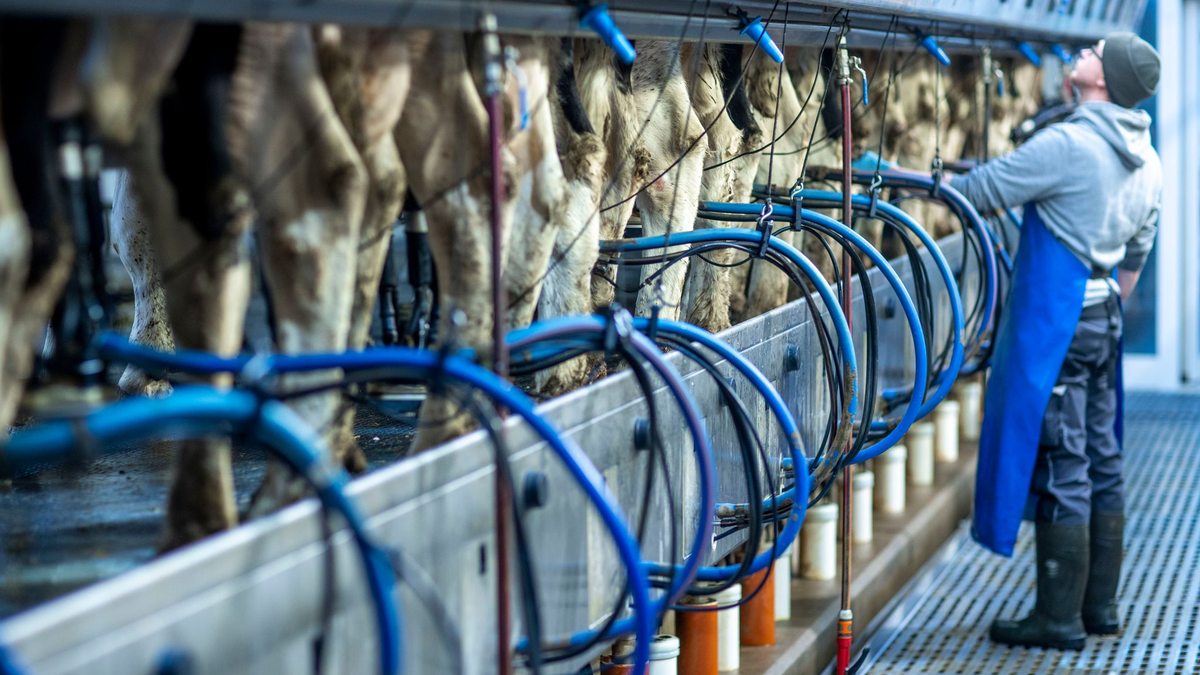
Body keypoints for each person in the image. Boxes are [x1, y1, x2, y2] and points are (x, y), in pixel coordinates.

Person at [948, 33, 1162, 650]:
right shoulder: (1147, 157)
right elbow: (1135, 257)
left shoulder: (1069, 144)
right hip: (1103, 319)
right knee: (1101, 454)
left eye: (1095, 51)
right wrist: (1100, 297)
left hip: (1060, 324)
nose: (1084, 51)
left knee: (1062, 459)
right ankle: (1100, 607)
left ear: (1104, 80)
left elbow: (980, 192)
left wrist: (915, 181)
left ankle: (1058, 618)